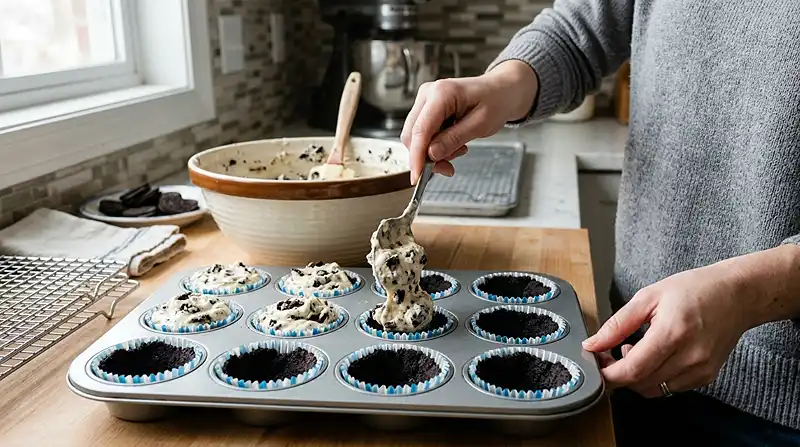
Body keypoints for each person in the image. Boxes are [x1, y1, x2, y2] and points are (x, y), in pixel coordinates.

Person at [400, 1, 800, 446]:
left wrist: (750, 292)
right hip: (632, 351)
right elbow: (582, 31)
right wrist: (502, 83)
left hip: (781, 409)